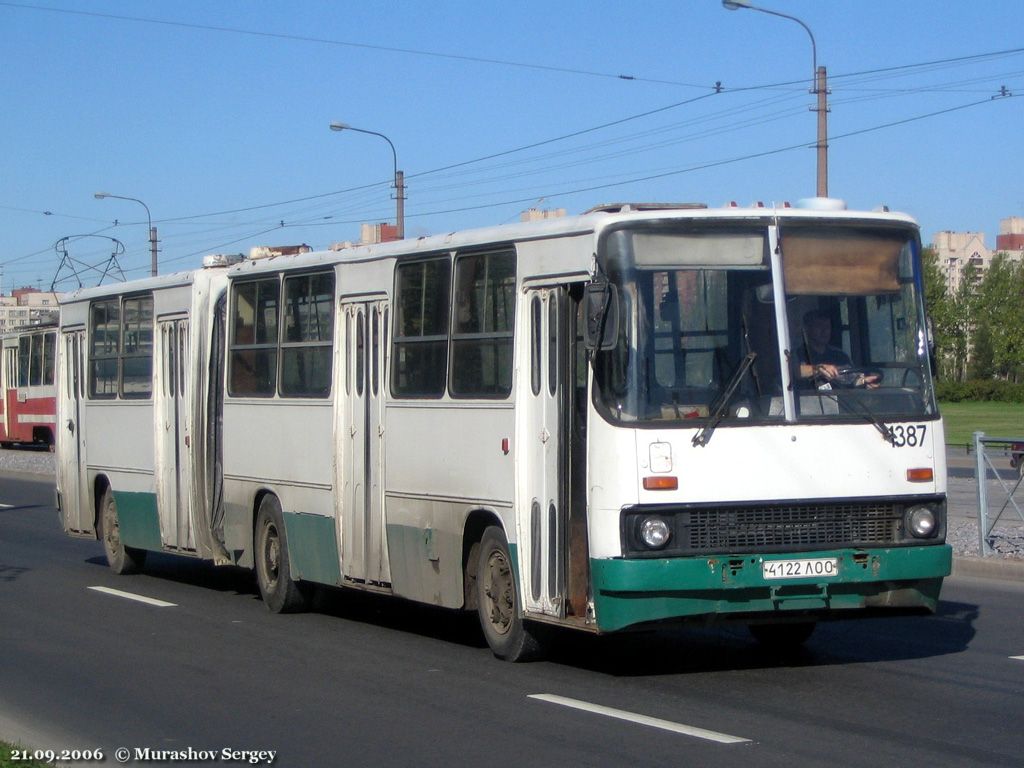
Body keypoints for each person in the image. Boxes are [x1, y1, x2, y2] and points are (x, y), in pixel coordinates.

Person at [796, 309, 879, 387]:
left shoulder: (840, 356)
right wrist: (818, 369)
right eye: (819, 326)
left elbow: (852, 379)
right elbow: (794, 371)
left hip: (842, 400)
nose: (825, 331)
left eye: (827, 326)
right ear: (807, 329)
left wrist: (864, 382)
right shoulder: (797, 356)